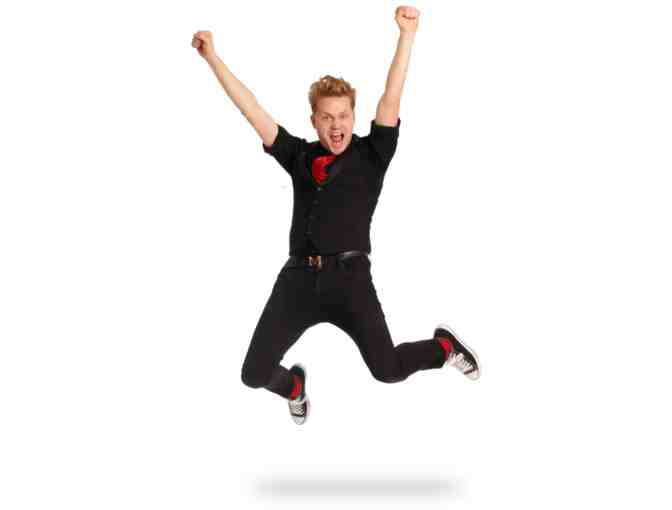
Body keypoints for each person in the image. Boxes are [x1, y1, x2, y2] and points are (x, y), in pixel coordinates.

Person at [192, 6, 481, 425]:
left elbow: (391, 97)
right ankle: (294, 387)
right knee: (253, 374)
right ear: (314, 120)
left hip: (350, 281)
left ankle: (443, 348)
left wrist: (407, 36)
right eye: (326, 117)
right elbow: (252, 110)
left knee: (388, 370)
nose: (336, 125)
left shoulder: (373, 153)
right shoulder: (299, 156)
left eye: (343, 115)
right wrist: (212, 58)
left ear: (353, 117)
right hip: (297, 281)